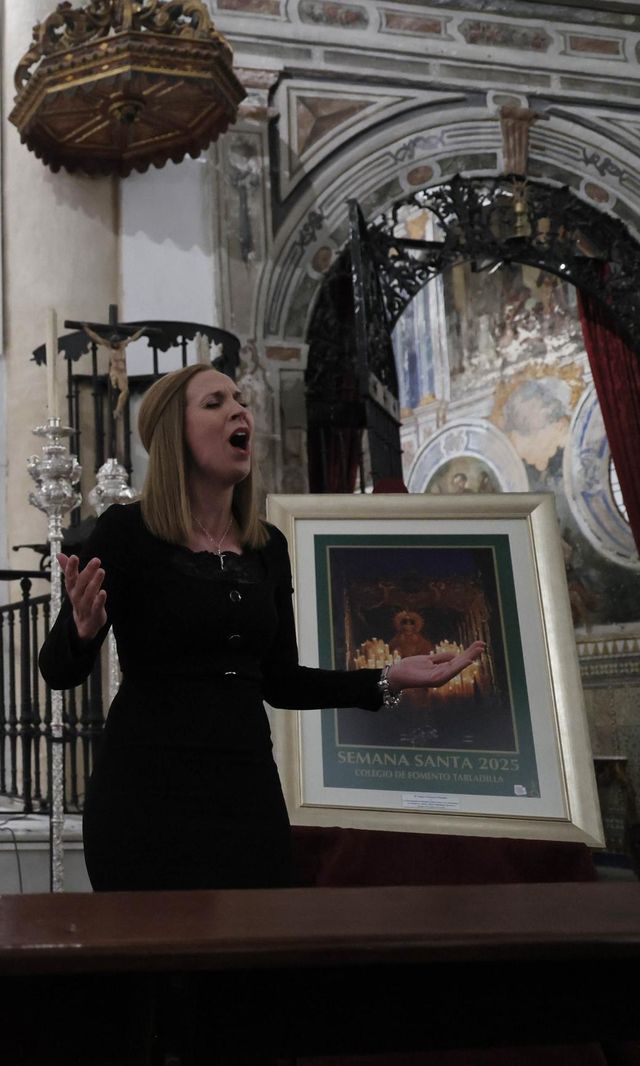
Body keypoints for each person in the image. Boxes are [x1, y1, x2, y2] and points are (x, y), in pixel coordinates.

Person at [38, 363, 486, 892]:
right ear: (172, 435)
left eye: (240, 399)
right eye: (214, 403)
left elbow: (280, 681)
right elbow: (58, 671)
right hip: (144, 795)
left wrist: (390, 678)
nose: (239, 410)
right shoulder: (125, 533)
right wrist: (84, 632)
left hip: (246, 792)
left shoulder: (267, 546)